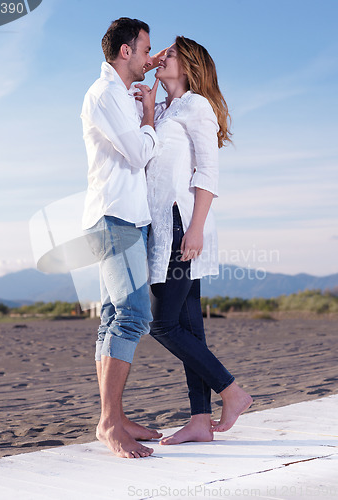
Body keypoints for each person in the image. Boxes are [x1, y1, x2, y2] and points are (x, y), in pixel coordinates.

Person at [145, 36, 253, 445]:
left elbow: (207, 172)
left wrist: (196, 228)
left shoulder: (197, 106)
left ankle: (231, 391)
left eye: (169, 53)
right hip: (160, 225)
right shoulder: (160, 108)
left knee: (163, 323)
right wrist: (147, 90)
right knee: (190, 325)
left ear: (188, 66)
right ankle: (199, 419)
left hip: (181, 224)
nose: (161, 58)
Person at [81, 18, 163, 458]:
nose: (151, 58)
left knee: (114, 315)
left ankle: (114, 416)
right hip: (116, 219)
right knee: (133, 315)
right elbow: (138, 154)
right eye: (146, 48)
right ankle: (109, 421)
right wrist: (149, 116)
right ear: (126, 51)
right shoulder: (104, 95)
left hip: (125, 218)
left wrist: (142, 107)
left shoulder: (120, 96)